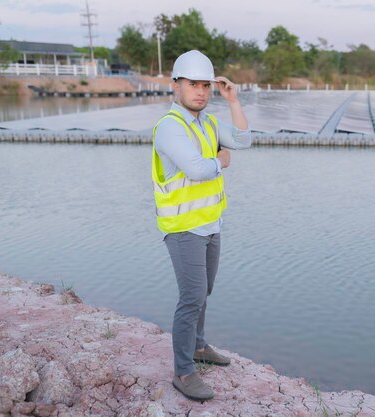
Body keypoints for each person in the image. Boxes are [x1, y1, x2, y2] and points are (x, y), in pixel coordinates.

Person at [151, 50, 251, 401]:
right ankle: (183, 370)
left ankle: (197, 346)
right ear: (175, 85)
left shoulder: (208, 123)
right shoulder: (169, 127)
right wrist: (221, 160)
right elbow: (197, 169)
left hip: (210, 222)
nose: (201, 92)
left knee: (204, 290)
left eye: (206, 85)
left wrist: (234, 101)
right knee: (191, 296)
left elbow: (243, 140)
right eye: (193, 84)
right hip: (182, 228)